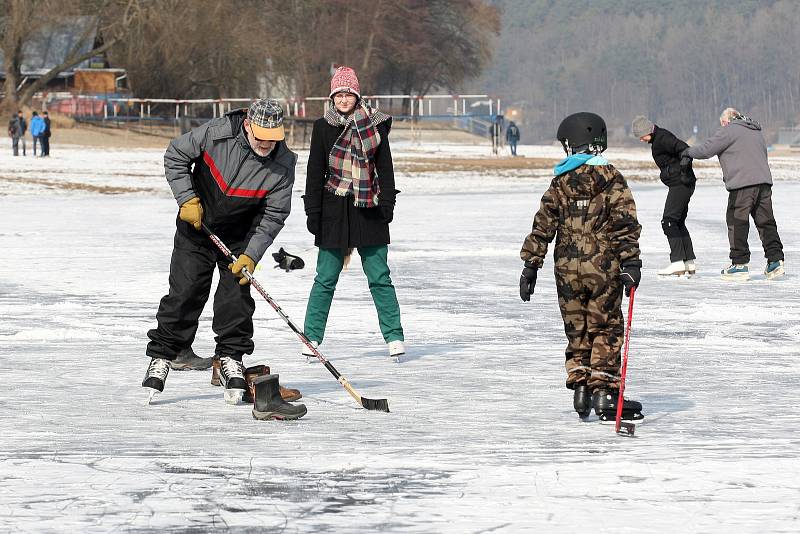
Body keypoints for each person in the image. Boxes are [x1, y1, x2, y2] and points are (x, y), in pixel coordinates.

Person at [141, 98, 306, 419]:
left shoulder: (283, 164)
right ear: (247, 126)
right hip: (197, 224)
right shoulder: (218, 133)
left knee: (235, 297)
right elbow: (175, 154)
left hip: (240, 237)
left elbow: (274, 213)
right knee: (186, 291)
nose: (267, 145)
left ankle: (231, 357)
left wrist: (252, 254)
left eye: (273, 138)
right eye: (261, 137)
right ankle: (164, 354)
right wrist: (187, 198)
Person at [519, 112, 644, 422]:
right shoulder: (612, 178)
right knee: (605, 327)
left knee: (577, 329)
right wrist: (630, 261)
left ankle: (581, 389)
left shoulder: (560, 181)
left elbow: (543, 225)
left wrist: (531, 265)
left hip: (567, 270)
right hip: (603, 268)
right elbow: (624, 223)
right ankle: (604, 393)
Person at [302, 66, 405, 361]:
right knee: (325, 278)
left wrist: (387, 203)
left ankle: (394, 336)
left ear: (357, 95)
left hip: (368, 207)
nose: (344, 99)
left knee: (379, 276)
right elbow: (314, 171)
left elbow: (384, 167)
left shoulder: (375, 126)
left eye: (348, 94)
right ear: (332, 96)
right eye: (339, 94)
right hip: (333, 208)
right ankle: (311, 336)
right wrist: (313, 210)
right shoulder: (323, 127)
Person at [682, 108, 785, 281]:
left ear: (726, 121)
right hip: (763, 183)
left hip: (742, 185)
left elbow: (706, 150)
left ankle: (739, 265)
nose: (721, 127)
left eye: (721, 124)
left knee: (737, 222)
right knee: (766, 222)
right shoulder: (755, 130)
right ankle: (775, 261)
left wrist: (687, 151)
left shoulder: (730, 130)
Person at [632, 115, 696, 276]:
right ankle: (688, 262)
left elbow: (684, 149)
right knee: (678, 221)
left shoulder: (663, 138)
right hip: (682, 183)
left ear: (648, 131)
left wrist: (682, 168)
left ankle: (677, 262)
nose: (641, 139)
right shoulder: (658, 138)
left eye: (641, 136)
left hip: (681, 184)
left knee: (668, 222)